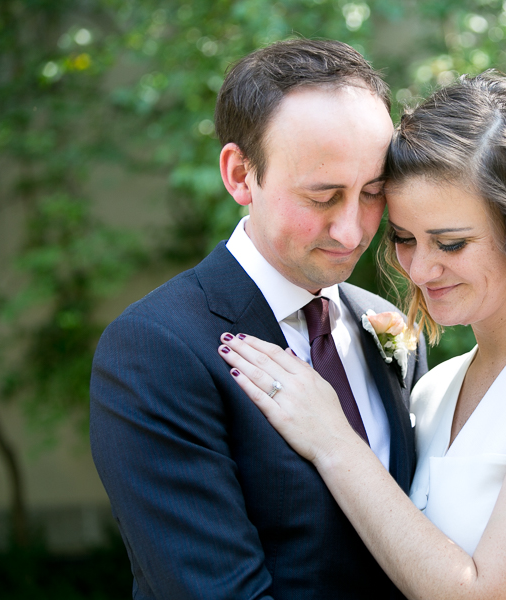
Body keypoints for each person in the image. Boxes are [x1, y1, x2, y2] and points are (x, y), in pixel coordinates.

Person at [219, 71, 506, 600]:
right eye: (404, 239)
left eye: (451, 244)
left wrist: (332, 439)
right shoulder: (434, 390)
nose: (419, 269)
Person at [90, 39, 426, 599]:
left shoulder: (387, 323)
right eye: (322, 197)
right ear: (240, 174)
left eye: (372, 193)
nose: (352, 231)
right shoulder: (155, 348)